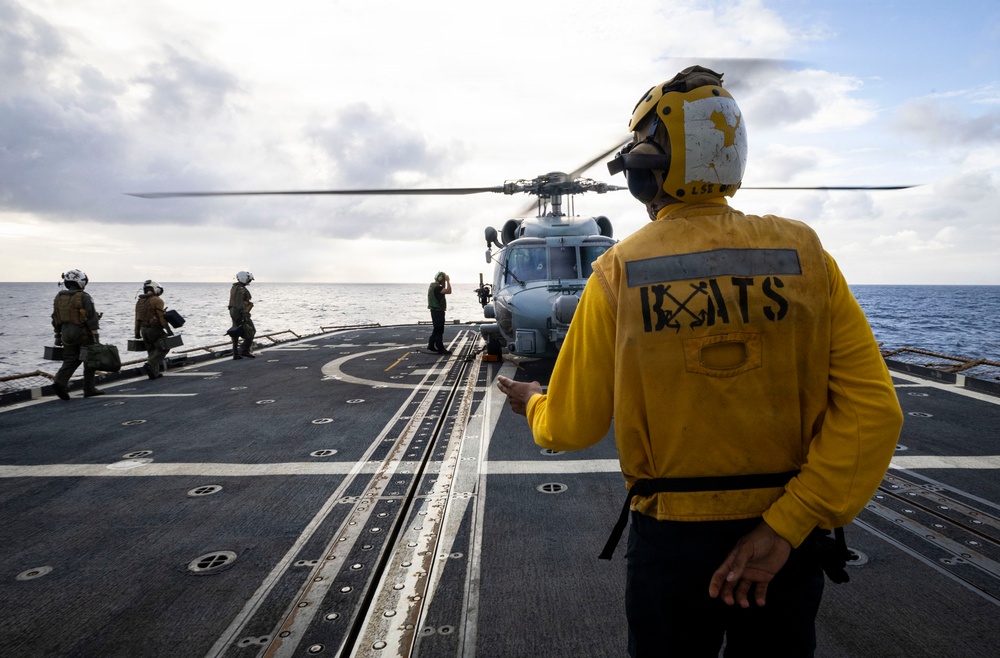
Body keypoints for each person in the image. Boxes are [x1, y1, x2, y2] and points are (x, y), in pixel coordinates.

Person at [496, 66, 904, 657]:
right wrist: (788, 524)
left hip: (672, 544)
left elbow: (572, 426)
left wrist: (534, 403)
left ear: (645, 172)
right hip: (786, 538)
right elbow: (874, 412)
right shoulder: (805, 255)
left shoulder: (618, 271)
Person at [50, 269, 104, 399]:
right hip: (83, 333)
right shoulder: (84, 297)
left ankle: (60, 381)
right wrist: (96, 338)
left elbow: (55, 318)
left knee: (70, 360)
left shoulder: (59, 297)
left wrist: (57, 336)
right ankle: (89, 388)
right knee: (90, 360)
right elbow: (92, 319)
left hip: (65, 333)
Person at [134, 280, 173, 379]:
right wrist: (168, 330)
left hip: (143, 329)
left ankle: (154, 373)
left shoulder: (140, 301)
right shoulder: (157, 300)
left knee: (151, 351)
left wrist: (137, 333)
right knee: (164, 347)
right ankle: (150, 364)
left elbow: (137, 319)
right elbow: (161, 317)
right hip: (154, 329)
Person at [228, 271, 257, 359]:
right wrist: (244, 315)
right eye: (249, 280)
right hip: (240, 312)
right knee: (251, 330)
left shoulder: (235, 287)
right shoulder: (240, 289)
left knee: (235, 331)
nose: (249, 281)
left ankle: (235, 353)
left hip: (233, 311)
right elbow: (240, 303)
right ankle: (244, 349)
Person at [427, 271, 452, 354]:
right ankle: (440, 348)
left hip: (433, 311)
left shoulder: (432, 286)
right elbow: (448, 291)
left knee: (436, 329)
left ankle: (431, 344)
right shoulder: (438, 288)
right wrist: (448, 281)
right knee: (439, 330)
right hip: (438, 311)